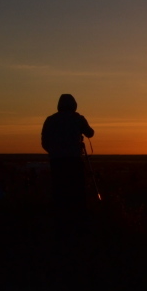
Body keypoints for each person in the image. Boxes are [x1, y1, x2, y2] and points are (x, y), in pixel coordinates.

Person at [41, 94, 95, 226]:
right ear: (74, 105)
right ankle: (79, 219)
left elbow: (44, 142)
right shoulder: (77, 119)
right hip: (74, 161)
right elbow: (90, 133)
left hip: (56, 162)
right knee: (77, 190)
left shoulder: (50, 120)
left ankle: (61, 219)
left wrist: (54, 151)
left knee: (59, 190)